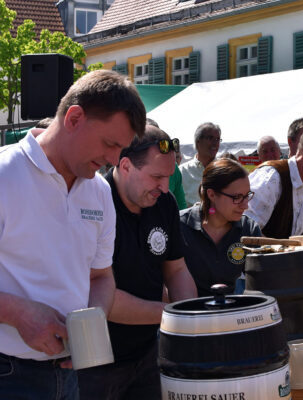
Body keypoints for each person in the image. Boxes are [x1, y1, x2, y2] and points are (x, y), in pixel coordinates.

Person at [0, 70, 146, 399]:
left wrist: (88, 334)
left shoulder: (99, 192)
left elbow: (100, 277)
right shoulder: (5, 175)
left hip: (70, 379)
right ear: (74, 117)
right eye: (110, 144)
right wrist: (17, 313)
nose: (112, 160)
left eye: (120, 149)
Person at [78, 125, 197, 400]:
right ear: (126, 165)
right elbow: (97, 293)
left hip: (148, 354)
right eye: (156, 176)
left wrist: (192, 321)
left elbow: (176, 269)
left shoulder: (163, 203)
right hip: (96, 361)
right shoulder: (93, 204)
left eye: (169, 176)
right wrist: (174, 316)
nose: (165, 188)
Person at [180, 158, 261, 297]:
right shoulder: (179, 226)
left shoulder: (248, 229)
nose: (245, 205)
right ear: (211, 194)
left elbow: (263, 278)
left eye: (247, 196)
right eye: (237, 197)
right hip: (188, 314)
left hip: (230, 314)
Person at [179, 122, 221, 207]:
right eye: (210, 138)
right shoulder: (182, 171)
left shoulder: (225, 169)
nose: (215, 143)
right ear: (198, 141)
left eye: (217, 139)